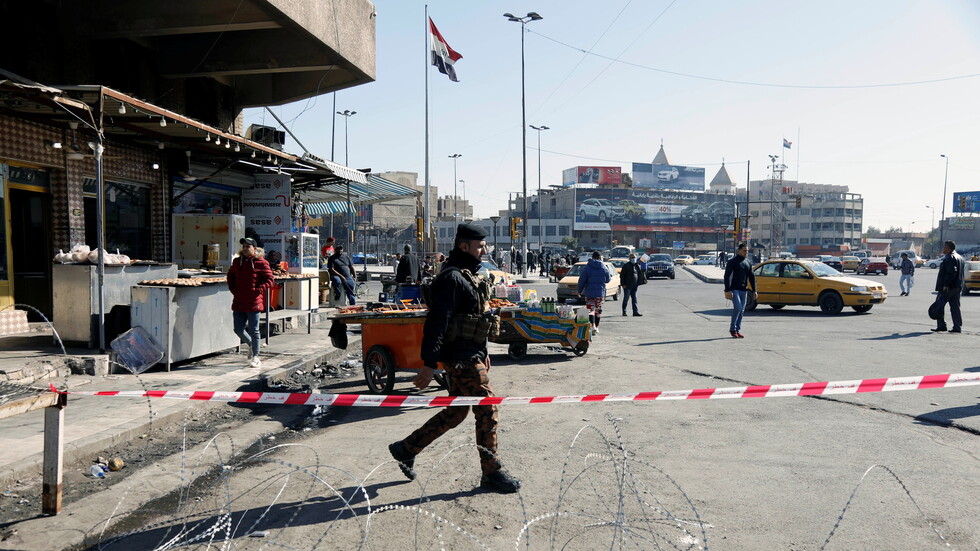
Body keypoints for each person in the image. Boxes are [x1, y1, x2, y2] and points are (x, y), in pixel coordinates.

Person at [388, 224, 521, 494]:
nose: (484, 250)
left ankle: (406, 448)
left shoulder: (468, 276)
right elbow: (437, 323)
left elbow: (475, 320)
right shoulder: (451, 278)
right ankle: (492, 473)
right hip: (460, 358)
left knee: (457, 410)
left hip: (470, 355)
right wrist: (428, 365)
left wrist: (482, 354)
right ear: (464, 246)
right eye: (480, 246)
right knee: (487, 407)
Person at [226, 237, 274, 368]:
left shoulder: (261, 262)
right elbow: (230, 276)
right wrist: (233, 289)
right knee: (238, 329)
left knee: (254, 330)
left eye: (248, 246)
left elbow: (270, 279)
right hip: (239, 301)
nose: (245, 249)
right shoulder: (237, 262)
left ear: (254, 248)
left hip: (254, 301)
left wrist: (259, 289)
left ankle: (256, 356)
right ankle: (251, 344)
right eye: (244, 246)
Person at [724, 242, 757, 338]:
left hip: (744, 290)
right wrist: (727, 290)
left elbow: (752, 277)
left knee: (742, 310)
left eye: (747, 251)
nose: (746, 252)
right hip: (734, 289)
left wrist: (755, 290)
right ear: (739, 250)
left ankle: (737, 329)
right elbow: (726, 277)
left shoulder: (748, 262)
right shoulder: (732, 262)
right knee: (738, 308)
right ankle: (732, 329)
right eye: (744, 251)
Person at [932, 240, 963, 333]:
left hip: (948, 287)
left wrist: (946, 285)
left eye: (944, 247)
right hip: (957, 286)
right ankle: (957, 327)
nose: (943, 249)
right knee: (955, 307)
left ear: (948, 248)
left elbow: (951, 272)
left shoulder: (950, 257)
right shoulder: (960, 257)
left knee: (939, 305)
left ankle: (941, 325)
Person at [577, 251, 610, 333]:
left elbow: (582, 280)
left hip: (589, 293)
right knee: (598, 310)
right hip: (600, 293)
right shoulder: (604, 267)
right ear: (600, 257)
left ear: (592, 257)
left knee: (590, 310)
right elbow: (608, 279)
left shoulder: (587, 268)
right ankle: (597, 327)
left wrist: (579, 291)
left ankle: (593, 326)